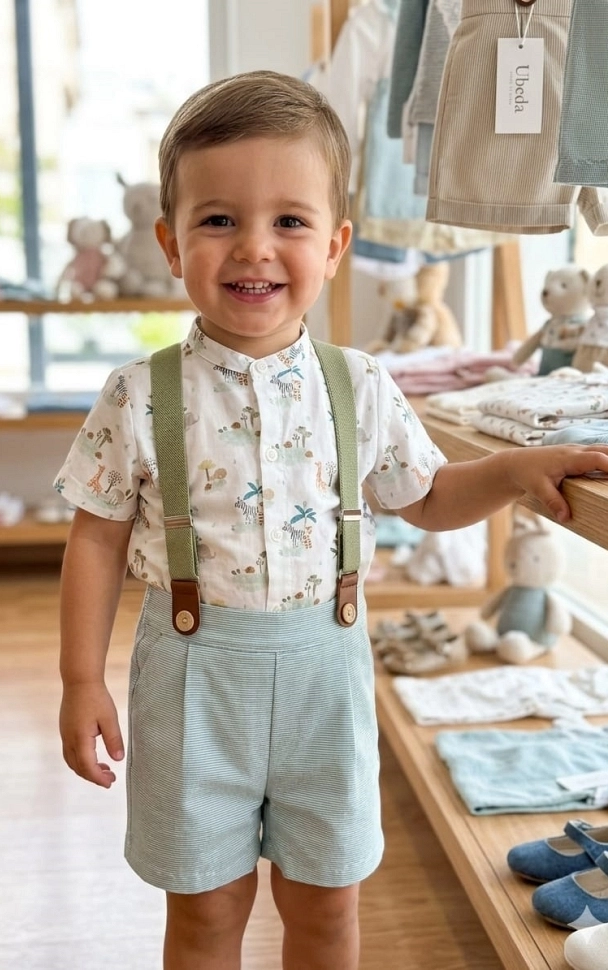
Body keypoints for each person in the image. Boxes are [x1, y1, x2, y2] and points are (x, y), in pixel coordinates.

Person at [56, 70, 608, 970]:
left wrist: (511, 471)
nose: (254, 250)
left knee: (326, 912)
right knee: (206, 916)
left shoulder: (360, 385)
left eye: (290, 222)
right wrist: (82, 680)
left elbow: (426, 499)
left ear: (337, 244)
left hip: (328, 687)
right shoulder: (135, 395)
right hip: (193, 688)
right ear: (170, 241)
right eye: (219, 220)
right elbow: (96, 537)